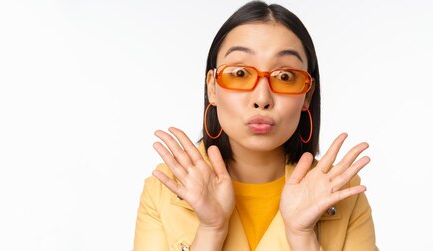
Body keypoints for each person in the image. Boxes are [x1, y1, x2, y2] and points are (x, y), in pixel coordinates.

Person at [132, 1, 377, 250]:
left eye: (285, 77)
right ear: (212, 87)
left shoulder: (343, 195)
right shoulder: (163, 190)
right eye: (239, 73)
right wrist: (211, 230)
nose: (262, 99)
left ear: (307, 95)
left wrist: (301, 236)